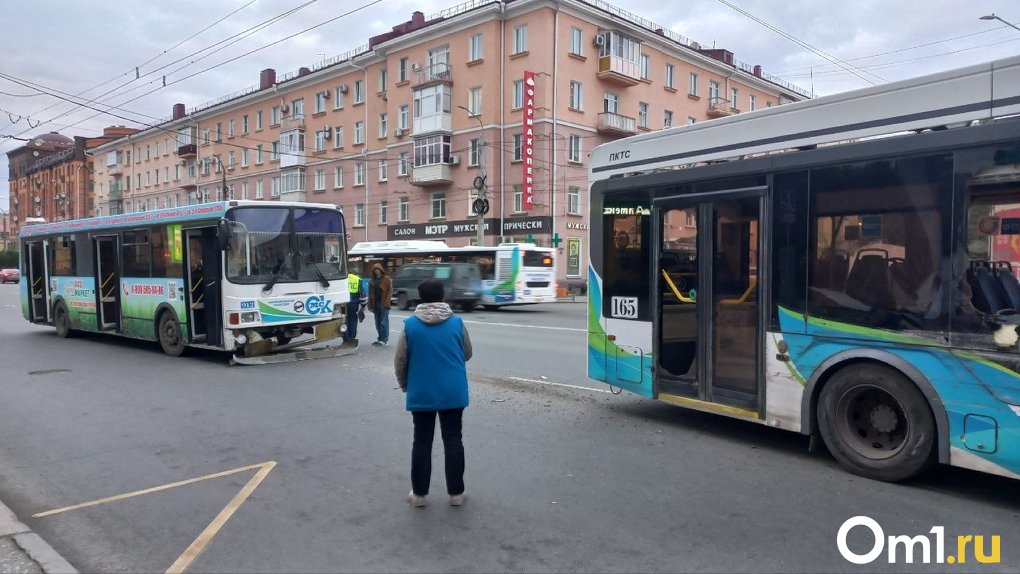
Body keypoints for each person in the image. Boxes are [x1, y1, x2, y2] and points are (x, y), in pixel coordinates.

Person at [394, 279, 473, 507]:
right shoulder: (457, 323)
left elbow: (400, 361)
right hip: (453, 392)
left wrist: (406, 385)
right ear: (442, 296)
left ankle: (419, 495)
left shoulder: (410, 325)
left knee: (422, 442)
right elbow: (467, 353)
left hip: (422, 392)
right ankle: (456, 494)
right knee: (453, 440)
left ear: (420, 297)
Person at [367, 263, 393, 346]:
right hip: (375, 304)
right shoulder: (372, 281)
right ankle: (380, 338)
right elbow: (370, 294)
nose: (376, 271)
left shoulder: (386, 279)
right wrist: (369, 305)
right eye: (375, 270)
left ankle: (385, 340)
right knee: (377, 323)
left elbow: (390, 291)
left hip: (384, 304)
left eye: (378, 270)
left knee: (384, 322)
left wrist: (387, 302)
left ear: (381, 270)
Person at [344, 271, 365, 343]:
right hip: (354, 304)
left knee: (344, 321)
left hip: (343, 304)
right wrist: (363, 306)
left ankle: (345, 339)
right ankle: (352, 338)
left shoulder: (343, 278)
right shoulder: (358, 279)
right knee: (353, 320)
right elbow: (362, 294)